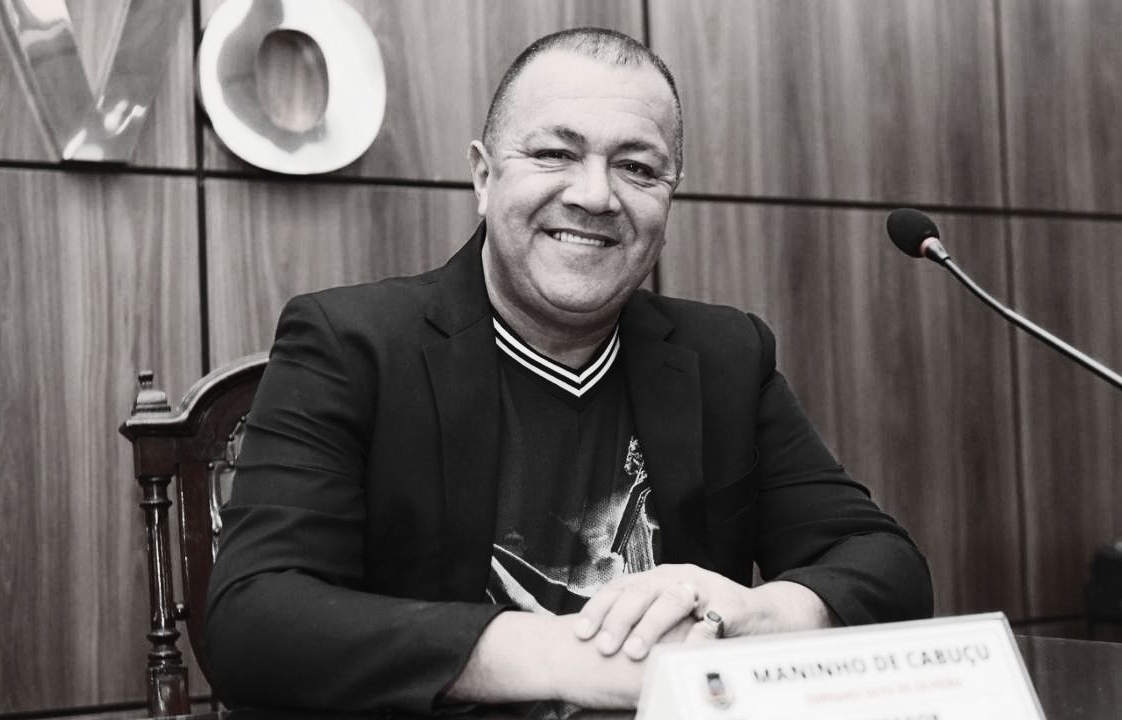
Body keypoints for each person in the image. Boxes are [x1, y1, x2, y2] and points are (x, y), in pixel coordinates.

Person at [205, 27, 933, 714]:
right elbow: (253, 618)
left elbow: (885, 566)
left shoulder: (724, 357)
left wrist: (750, 612)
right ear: (484, 177)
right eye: (555, 154)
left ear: (669, 196)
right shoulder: (353, 345)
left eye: (637, 167)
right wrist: (559, 655)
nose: (595, 195)